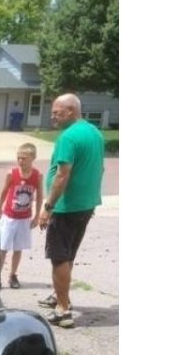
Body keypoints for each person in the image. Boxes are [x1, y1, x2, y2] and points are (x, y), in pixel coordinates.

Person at [36, 94, 105, 328]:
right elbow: (100, 168)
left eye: (57, 112)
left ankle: (63, 310)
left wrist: (48, 207)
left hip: (66, 207)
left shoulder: (68, 137)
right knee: (68, 255)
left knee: (59, 257)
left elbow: (62, 175)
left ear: (71, 111)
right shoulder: (95, 133)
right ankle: (59, 295)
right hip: (86, 205)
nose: (52, 116)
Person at [0, 143, 42, 289]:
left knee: (18, 247)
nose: (20, 161)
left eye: (24, 158)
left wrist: (36, 216)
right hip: (10, 216)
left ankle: (13, 274)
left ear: (32, 158)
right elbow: (4, 191)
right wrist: (0, 208)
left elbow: (40, 196)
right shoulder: (12, 173)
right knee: (3, 247)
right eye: (19, 158)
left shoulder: (37, 175)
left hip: (24, 217)